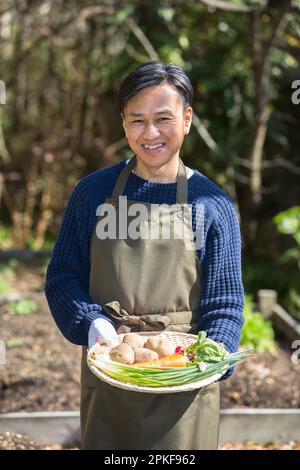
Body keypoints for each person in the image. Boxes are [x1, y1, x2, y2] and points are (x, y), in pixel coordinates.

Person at [45, 60, 244, 450]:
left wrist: (208, 361)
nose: (150, 133)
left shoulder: (212, 204)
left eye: (163, 119)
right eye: (137, 120)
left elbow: (225, 304)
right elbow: (62, 277)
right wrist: (92, 325)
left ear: (187, 119)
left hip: (183, 381)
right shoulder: (93, 194)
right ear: (122, 123)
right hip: (111, 367)